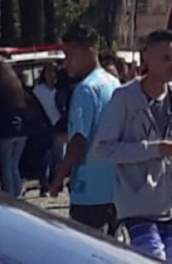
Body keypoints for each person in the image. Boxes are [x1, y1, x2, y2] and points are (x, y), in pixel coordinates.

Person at [92, 30, 172, 263]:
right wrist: (153, 149)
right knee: (154, 256)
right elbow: (103, 149)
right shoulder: (124, 99)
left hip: (169, 202)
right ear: (146, 59)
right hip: (136, 203)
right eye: (166, 58)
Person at [49, 24, 120, 235]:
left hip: (89, 190)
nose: (66, 62)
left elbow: (79, 141)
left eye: (70, 54)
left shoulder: (86, 90)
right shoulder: (113, 83)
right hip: (113, 186)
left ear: (89, 51)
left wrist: (59, 177)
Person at [0, 61, 30, 198]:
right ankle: (18, 194)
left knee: (5, 166)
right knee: (14, 165)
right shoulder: (17, 87)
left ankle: (10, 196)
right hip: (21, 131)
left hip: (4, 131)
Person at [33, 63, 63, 197]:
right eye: (48, 72)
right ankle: (44, 185)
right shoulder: (38, 90)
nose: (51, 75)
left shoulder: (60, 90)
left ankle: (56, 183)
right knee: (45, 157)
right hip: (44, 126)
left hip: (59, 125)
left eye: (53, 72)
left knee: (58, 157)